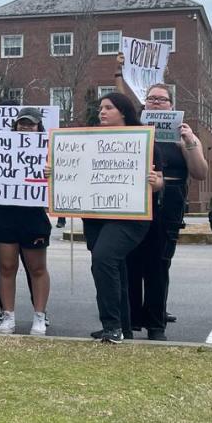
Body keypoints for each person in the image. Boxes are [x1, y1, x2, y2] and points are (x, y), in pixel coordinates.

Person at [116, 56, 208, 340]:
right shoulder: (134, 130)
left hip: (168, 204)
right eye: (151, 99)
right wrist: (120, 72)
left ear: (171, 105)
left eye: (162, 100)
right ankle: (130, 320)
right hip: (135, 202)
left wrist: (190, 143)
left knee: (158, 265)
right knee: (130, 262)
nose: (156, 103)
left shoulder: (184, 134)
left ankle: (156, 323)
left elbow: (201, 172)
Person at [83, 93, 163, 344]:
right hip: (95, 214)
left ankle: (111, 326)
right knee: (111, 266)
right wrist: (54, 171)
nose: (102, 112)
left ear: (124, 112)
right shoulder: (89, 140)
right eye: (100, 108)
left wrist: (155, 182)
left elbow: (160, 180)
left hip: (130, 216)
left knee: (104, 258)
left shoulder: (144, 141)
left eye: (108, 107)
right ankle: (123, 326)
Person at [0, 107, 52, 336]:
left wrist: (50, 174)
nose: (26, 127)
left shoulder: (48, 151)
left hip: (33, 216)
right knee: (6, 266)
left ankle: (40, 316)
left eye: (31, 124)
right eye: (22, 123)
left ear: (38, 127)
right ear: (14, 126)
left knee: (37, 267)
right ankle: (8, 315)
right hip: (3, 214)